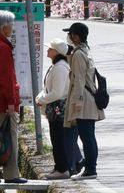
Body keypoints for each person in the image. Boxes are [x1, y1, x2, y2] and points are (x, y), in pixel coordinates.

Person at [64, 22, 104, 180]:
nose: (69, 36)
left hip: (84, 101)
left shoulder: (79, 54)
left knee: (86, 137)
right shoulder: (86, 50)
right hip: (90, 98)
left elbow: (79, 81)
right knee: (89, 136)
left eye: (70, 34)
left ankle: (90, 169)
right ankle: (90, 167)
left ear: (76, 36)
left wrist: (77, 103)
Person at [36, 38, 73, 179]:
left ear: (56, 52)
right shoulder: (57, 66)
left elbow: (57, 93)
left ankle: (62, 169)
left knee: (58, 139)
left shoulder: (60, 68)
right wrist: (40, 97)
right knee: (56, 138)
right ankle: (59, 167)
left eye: (50, 48)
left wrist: (41, 100)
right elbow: (48, 88)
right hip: (55, 108)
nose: (48, 50)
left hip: (58, 109)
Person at [0, 10, 26, 185]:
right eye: (11, 25)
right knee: (9, 137)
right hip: (3, 103)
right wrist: (11, 102)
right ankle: (11, 174)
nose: (13, 28)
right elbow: (7, 78)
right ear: (4, 27)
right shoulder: (3, 47)